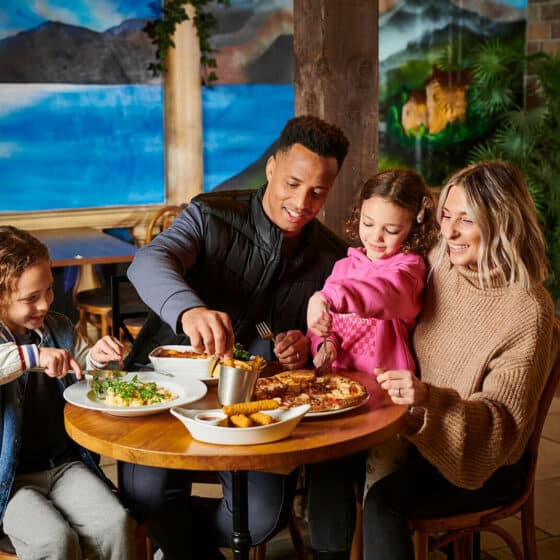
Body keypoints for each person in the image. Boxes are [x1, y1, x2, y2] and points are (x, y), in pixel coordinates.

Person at [121, 115, 350, 559]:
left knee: (262, 518)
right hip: (165, 391)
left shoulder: (331, 256)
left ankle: (179, 549)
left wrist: (305, 345)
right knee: (144, 496)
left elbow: (330, 336)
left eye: (318, 192)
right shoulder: (210, 214)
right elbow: (148, 262)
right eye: (292, 183)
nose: (302, 202)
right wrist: (190, 310)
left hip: (251, 410)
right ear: (270, 169)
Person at [362, 161, 555, 559]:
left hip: (486, 459)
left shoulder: (526, 310)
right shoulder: (440, 263)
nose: (448, 232)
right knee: (332, 465)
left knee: (383, 503)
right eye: (446, 215)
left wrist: (428, 398)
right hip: (416, 428)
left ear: (501, 221)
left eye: (465, 221)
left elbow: (502, 424)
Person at [304, 170, 438, 560]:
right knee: (324, 470)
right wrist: (323, 343)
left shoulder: (408, 271)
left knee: (380, 492)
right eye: (367, 224)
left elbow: (382, 295)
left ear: (413, 228)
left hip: (388, 403)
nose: (376, 238)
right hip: (341, 398)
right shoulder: (345, 266)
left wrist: (327, 297)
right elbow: (327, 331)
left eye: (390, 229)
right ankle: (329, 552)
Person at [0, 226, 135, 560]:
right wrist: (34, 356)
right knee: (54, 540)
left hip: (63, 465)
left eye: (48, 291)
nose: (45, 303)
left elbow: (88, 372)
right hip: (8, 481)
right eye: (30, 298)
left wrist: (102, 361)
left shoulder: (58, 327)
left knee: (116, 522)